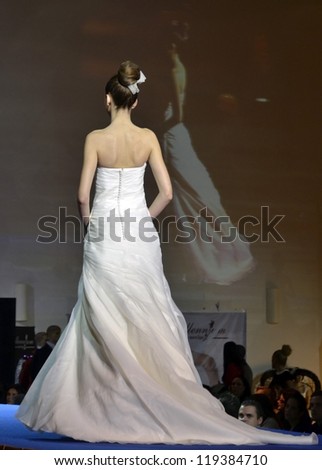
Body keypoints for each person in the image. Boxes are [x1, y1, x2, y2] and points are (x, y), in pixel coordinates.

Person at [16, 61, 317, 446]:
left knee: (101, 314)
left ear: (108, 99)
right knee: (144, 311)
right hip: (138, 233)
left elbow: (81, 195)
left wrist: (91, 225)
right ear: (135, 102)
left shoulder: (94, 138)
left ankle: (98, 407)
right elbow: (168, 193)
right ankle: (141, 400)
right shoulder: (147, 138)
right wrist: (143, 218)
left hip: (105, 232)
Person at [162, 21, 255, 285]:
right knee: (189, 194)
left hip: (171, 133)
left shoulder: (172, 68)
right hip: (170, 133)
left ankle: (227, 250)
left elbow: (178, 113)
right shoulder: (175, 66)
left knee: (195, 192)